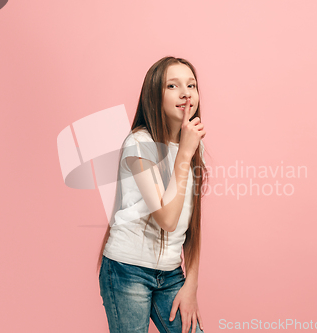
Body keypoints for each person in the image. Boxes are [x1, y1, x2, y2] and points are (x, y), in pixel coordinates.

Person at [97, 56, 208, 333]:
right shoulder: (139, 144)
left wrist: (191, 284)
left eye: (191, 85)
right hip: (127, 269)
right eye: (173, 86)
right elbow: (167, 219)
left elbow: (190, 224)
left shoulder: (194, 145)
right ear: (154, 95)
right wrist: (184, 152)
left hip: (171, 273)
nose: (185, 93)